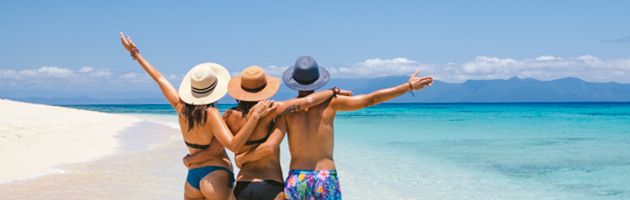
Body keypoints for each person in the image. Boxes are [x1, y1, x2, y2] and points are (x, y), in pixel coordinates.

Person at [184, 66, 352, 200]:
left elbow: (214, 149)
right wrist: (332, 92)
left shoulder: (228, 116)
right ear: (263, 89)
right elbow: (305, 102)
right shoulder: (271, 110)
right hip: (271, 185)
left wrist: (191, 159)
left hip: (243, 186)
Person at [278, 56, 433, 200]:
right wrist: (407, 86)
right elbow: (371, 99)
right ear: (318, 79)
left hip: (297, 178)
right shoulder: (332, 102)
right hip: (325, 176)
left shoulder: (285, 110)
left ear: (294, 81)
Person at [120, 32, 245, 200]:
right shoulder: (211, 113)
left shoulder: (180, 108)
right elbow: (231, 144)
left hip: (192, 177)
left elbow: (159, 78)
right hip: (216, 173)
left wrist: (135, 53)